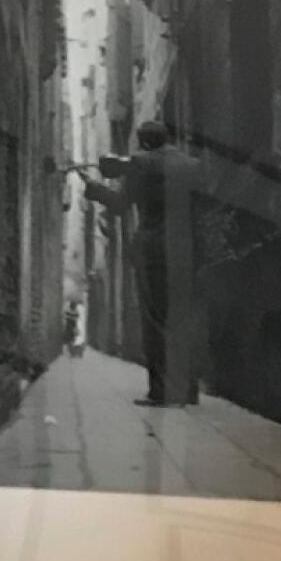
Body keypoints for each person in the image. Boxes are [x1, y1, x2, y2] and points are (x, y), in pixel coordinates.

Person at [85, 122, 205, 408]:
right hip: (187, 251)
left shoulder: (141, 164)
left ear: (144, 143)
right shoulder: (192, 165)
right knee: (184, 320)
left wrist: (95, 191)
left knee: (155, 322)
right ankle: (189, 389)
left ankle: (161, 391)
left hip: (154, 252)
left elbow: (120, 204)